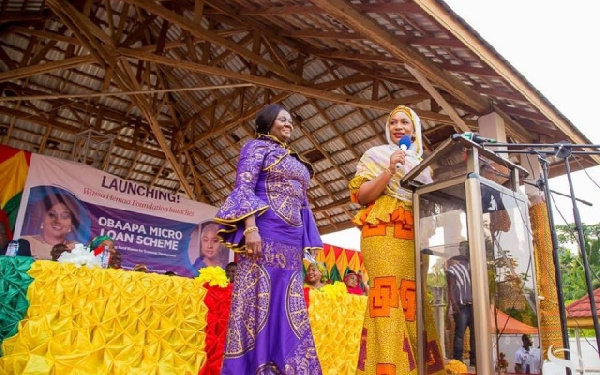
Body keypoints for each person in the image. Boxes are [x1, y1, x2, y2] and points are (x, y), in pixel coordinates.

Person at [214, 103, 322, 374]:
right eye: (282, 119)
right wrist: (251, 229)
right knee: (258, 299)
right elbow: (244, 187)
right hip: (266, 233)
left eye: (291, 120)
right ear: (267, 123)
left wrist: (309, 256)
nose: (289, 124)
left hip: (292, 240)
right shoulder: (256, 148)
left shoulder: (293, 158)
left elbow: (304, 207)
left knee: (288, 301)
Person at [349, 105, 445, 374]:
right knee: (387, 297)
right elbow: (363, 197)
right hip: (383, 231)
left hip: (415, 235)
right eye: (393, 123)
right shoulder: (375, 155)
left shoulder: (423, 165)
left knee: (414, 302)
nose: (398, 127)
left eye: (405, 122)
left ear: (414, 130)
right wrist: (389, 170)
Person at [21, 193, 80, 259]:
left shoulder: (77, 249)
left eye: (64, 216)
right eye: (52, 215)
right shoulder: (26, 243)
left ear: (71, 224)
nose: (58, 221)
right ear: (42, 218)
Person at [446, 241, 475, 366]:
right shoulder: (453, 269)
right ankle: (458, 360)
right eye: (463, 248)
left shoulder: (474, 267)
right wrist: (455, 306)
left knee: (475, 333)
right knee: (459, 334)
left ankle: (474, 359)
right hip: (461, 306)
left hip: (473, 306)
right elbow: (451, 288)